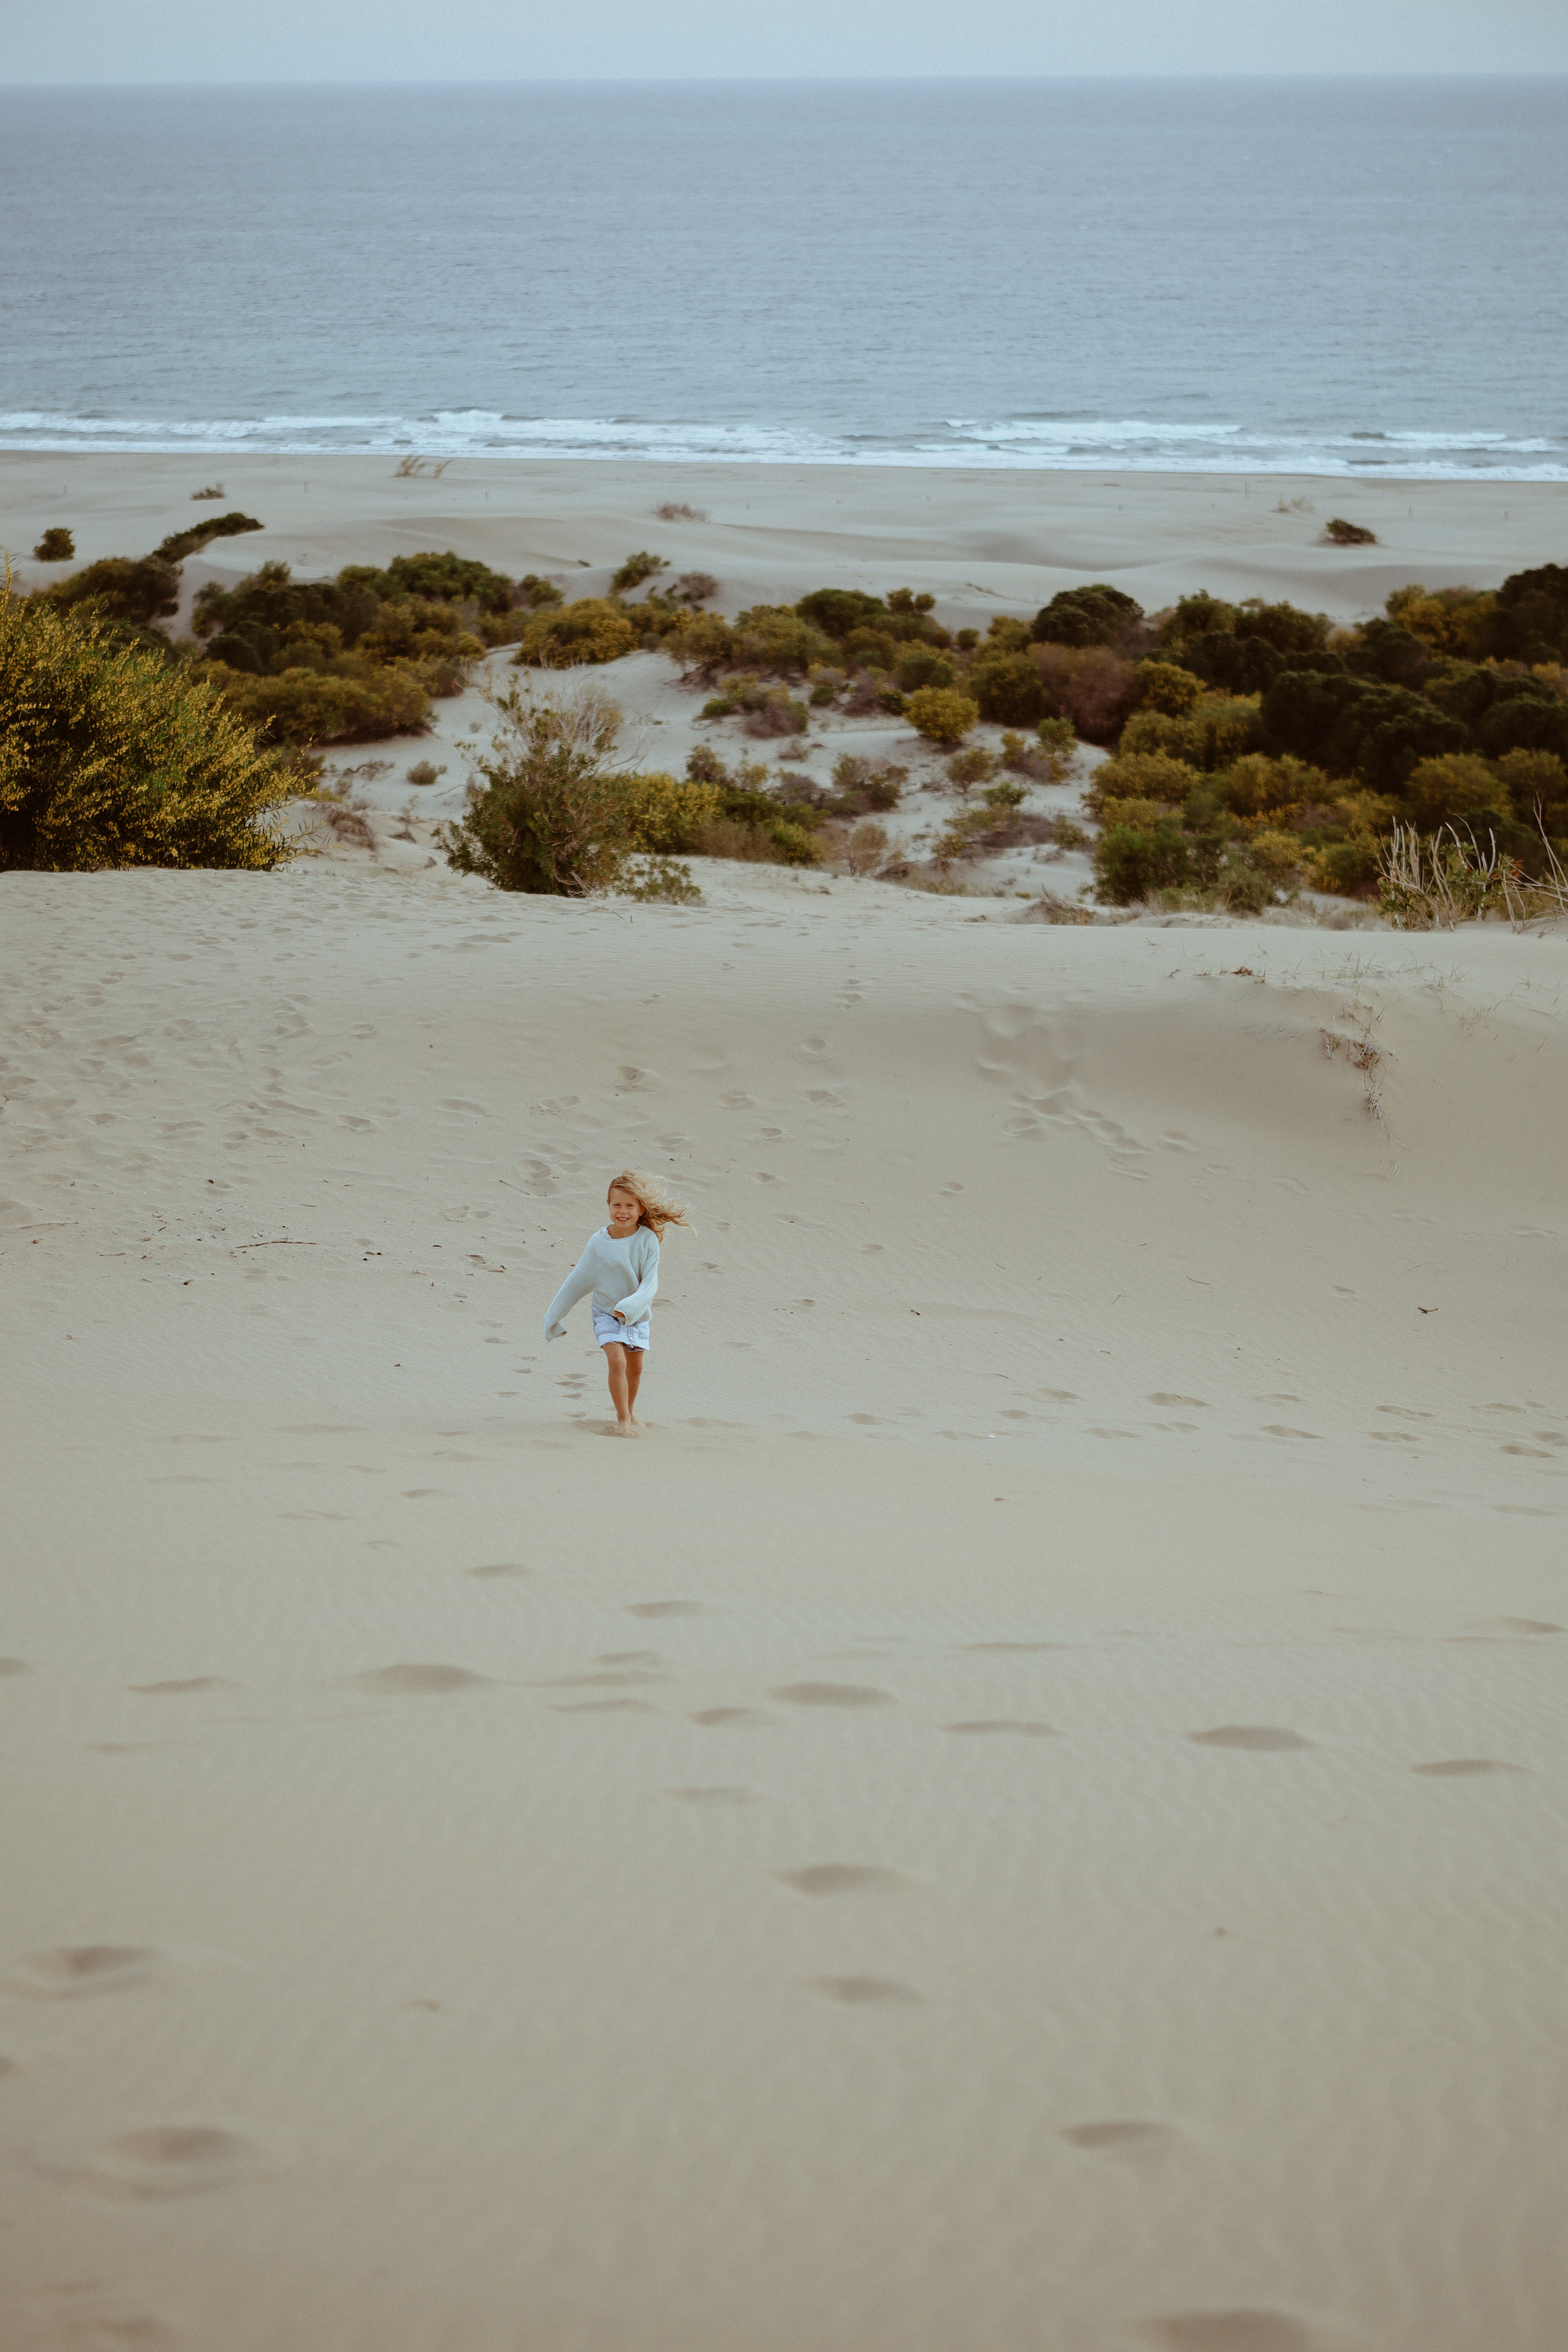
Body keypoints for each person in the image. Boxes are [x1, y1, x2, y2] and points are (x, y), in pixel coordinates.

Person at [542, 1170, 690, 1433]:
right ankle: (623, 1419)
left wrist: (631, 1308)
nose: (623, 1211)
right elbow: (578, 1279)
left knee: (636, 1368)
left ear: (641, 1209)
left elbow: (650, 1284)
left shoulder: (648, 1240)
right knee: (617, 1362)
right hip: (606, 1311)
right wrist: (553, 1318)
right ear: (608, 1205)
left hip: (637, 1313)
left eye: (630, 1206)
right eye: (617, 1205)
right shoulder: (599, 1243)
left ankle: (630, 1412)